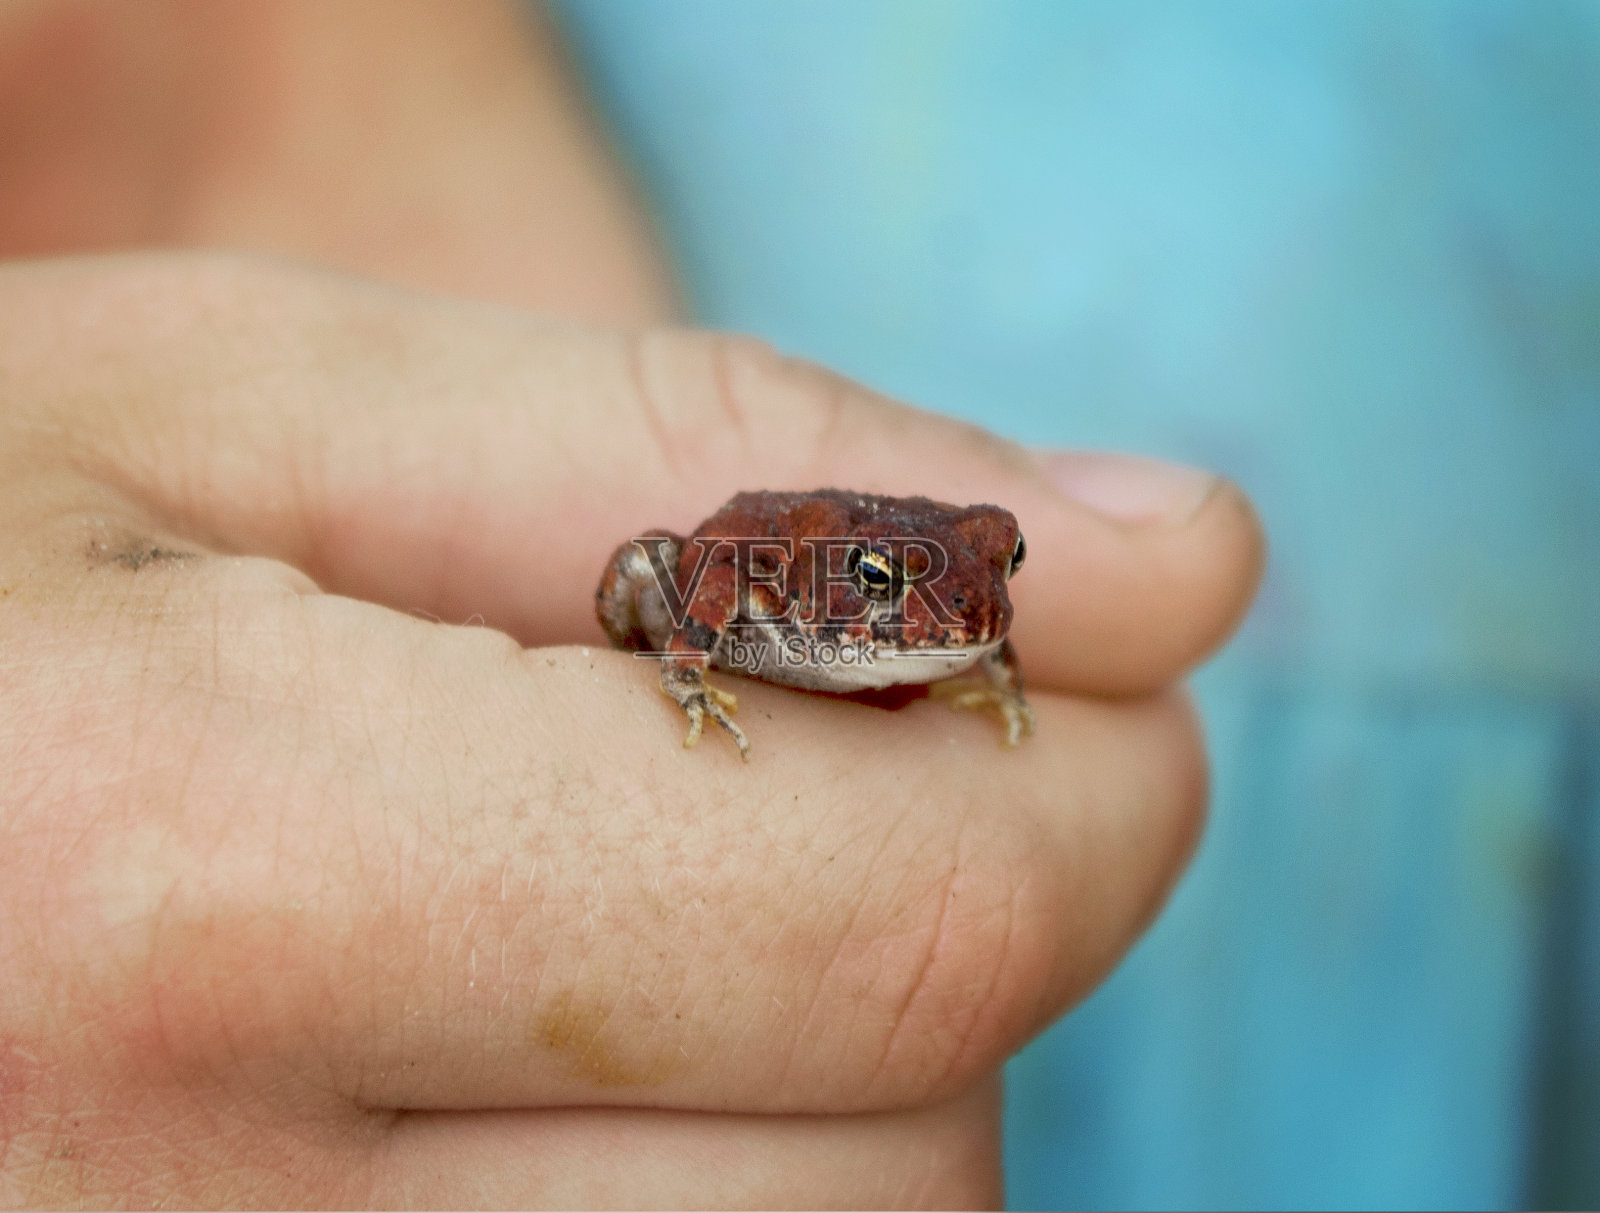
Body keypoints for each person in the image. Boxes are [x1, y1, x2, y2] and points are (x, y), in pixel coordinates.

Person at [0, 2, 1262, 1205]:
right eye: (896, 588)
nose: (977, 602)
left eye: (1005, 569)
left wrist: (981, 660)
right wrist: (681, 670)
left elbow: (964, 596)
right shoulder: (771, 586)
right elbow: (683, 565)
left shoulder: (955, 601)